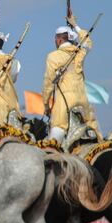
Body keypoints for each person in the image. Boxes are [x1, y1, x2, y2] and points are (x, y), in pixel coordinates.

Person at [42, 10, 99, 142]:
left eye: (55, 39)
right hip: (83, 104)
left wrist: (46, 105)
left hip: (63, 105)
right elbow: (88, 42)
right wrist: (75, 25)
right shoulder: (79, 52)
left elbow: (48, 83)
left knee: (52, 145)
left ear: (59, 39)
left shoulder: (53, 56)